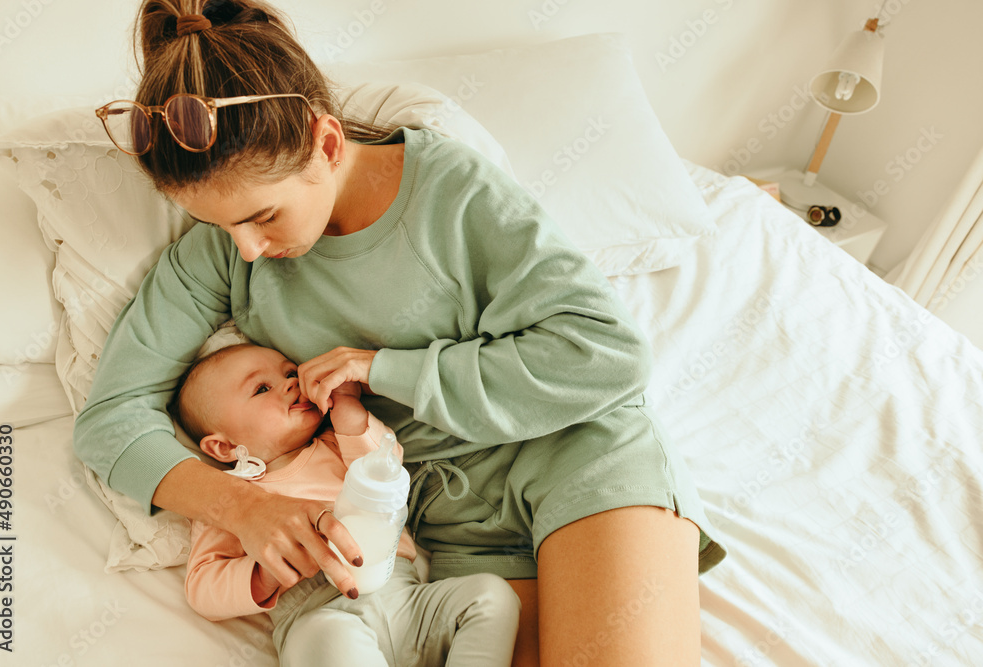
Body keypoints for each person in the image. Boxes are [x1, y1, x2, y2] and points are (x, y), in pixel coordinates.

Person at [76, 1, 727, 664]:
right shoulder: (222, 252)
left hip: (581, 458)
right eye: (221, 226)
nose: (244, 249)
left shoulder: (453, 190)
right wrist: (241, 508)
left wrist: (386, 368)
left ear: (326, 144)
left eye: (262, 216)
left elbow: (607, 354)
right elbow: (109, 420)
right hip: (452, 532)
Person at [173, 342, 520, 666]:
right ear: (223, 447)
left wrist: (348, 406)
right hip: (320, 613)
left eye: (290, 372)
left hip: (407, 600)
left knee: (492, 596)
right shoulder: (230, 495)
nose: (290, 384)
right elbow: (203, 587)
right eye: (262, 389)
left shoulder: (337, 445)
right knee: (323, 638)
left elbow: (387, 465)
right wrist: (267, 573)